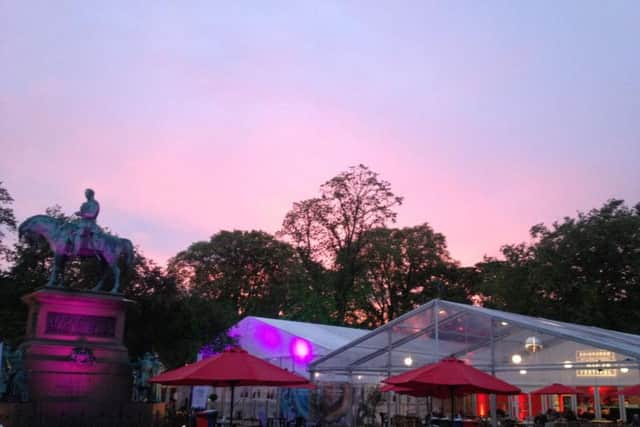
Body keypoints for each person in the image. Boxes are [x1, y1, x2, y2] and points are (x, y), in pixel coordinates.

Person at [73, 188, 101, 255]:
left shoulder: (95, 203)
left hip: (89, 224)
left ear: (91, 194)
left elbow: (92, 214)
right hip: (82, 222)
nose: (85, 195)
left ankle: (77, 250)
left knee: (79, 233)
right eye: (85, 194)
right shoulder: (85, 203)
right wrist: (79, 213)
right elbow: (84, 212)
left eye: (87, 193)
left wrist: (81, 214)